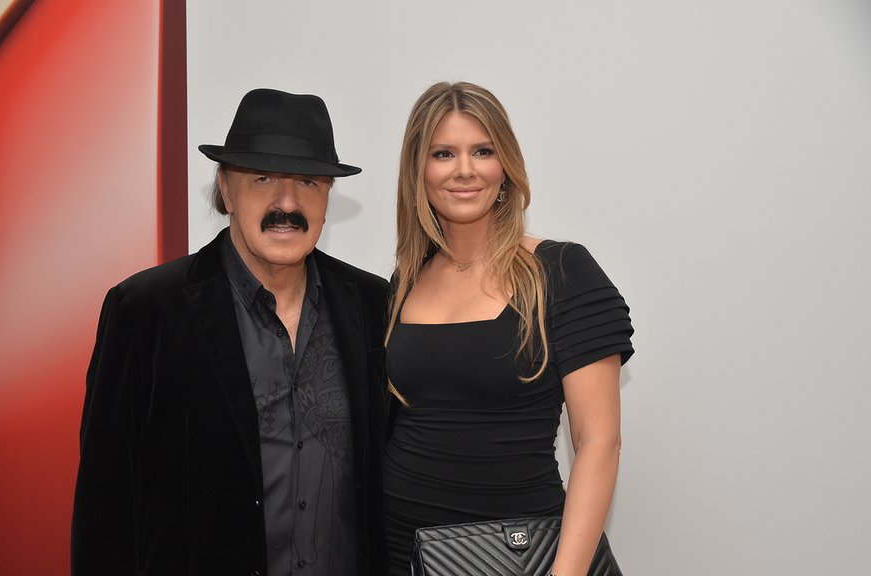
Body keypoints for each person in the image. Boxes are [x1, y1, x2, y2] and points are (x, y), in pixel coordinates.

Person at [72, 88, 390, 576]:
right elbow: (106, 506)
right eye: (263, 178)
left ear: (329, 195)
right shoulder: (146, 311)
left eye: (308, 181)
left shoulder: (372, 305)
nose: (287, 203)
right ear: (225, 188)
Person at [382, 81, 635, 576]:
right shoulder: (405, 280)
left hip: (519, 556)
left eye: (483, 150)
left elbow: (599, 443)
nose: (464, 170)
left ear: (506, 166)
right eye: (442, 153)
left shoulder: (561, 271)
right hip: (399, 549)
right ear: (418, 170)